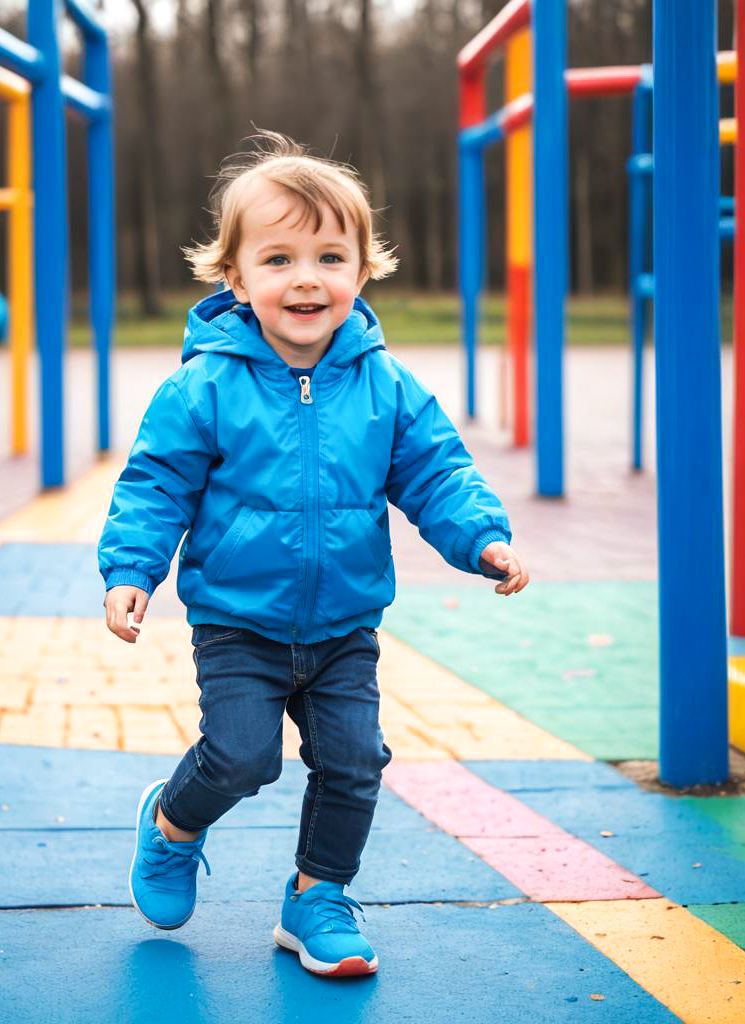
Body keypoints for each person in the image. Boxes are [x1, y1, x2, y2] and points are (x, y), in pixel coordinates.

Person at [98, 130, 528, 978]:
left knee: (355, 762)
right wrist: (130, 572)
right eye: (279, 257)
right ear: (236, 278)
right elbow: (155, 486)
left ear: (363, 271)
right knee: (240, 756)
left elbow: (436, 469)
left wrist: (481, 536)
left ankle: (318, 897)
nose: (306, 277)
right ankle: (173, 826)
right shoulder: (204, 384)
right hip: (238, 622)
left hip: (343, 626)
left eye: (331, 256)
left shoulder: (387, 383)